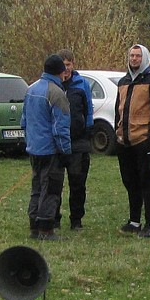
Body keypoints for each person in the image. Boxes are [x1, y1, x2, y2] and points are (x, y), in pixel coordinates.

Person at [114, 43, 150, 237]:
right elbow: (118, 109)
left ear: (144, 58)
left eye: (138, 56)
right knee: (130, 181)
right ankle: (134, 220)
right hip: (124, 141)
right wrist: (117, 132)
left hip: (143, 139)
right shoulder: (123, 81)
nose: (134, 59)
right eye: (132, 55)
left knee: (147, 182)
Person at [24, 53, 72, 241]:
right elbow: (60, 128)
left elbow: (24, 121)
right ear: (60, 72)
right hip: (51, 151)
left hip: (34, 148)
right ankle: (46, 229)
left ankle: (34, 226)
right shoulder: (57, 93)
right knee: (51, 189)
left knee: (36, 187)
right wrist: (65, 151)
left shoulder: (31, 89)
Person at [60, 51, 93, 230]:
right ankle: (53, 218)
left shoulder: (82, 84)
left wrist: (87, 130)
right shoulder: (54, 84)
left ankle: (76, 219)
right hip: (57, 142)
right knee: (54, 184)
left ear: (73, 64)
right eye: (63, 65)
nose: (66, 68)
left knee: (78, 184)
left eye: (69, 64)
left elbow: (88, 110)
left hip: (78, 142)